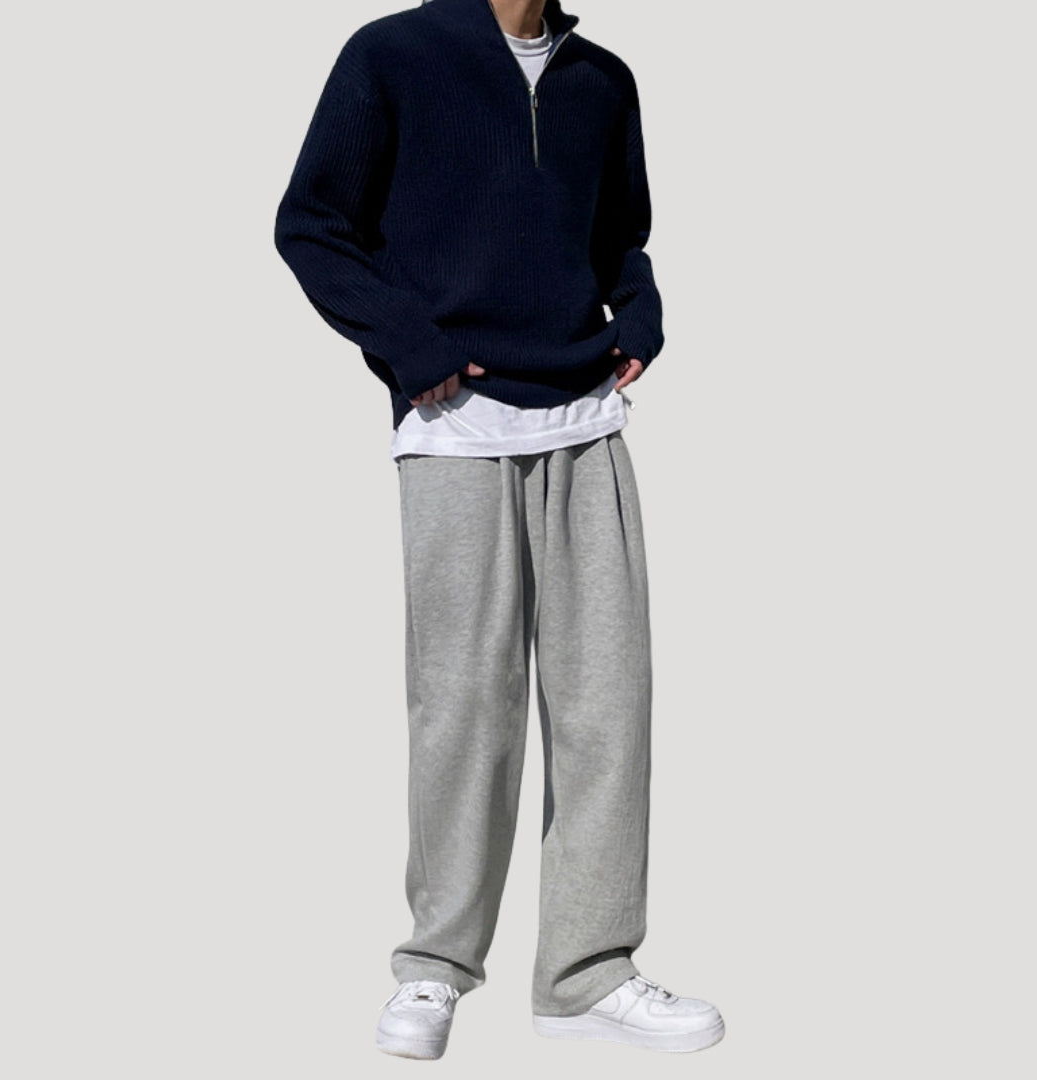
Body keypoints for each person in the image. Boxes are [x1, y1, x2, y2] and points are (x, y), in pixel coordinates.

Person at [274, 0, 725, 1059]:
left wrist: (640, 311)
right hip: (455, 425)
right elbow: (311, 225)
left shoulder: (602, 80)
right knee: (464, 709)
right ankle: (435, 966)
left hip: (587, 419)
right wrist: (407, 342)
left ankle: (587, 971)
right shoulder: (391, 57)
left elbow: (621, 238)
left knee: (607, 704)